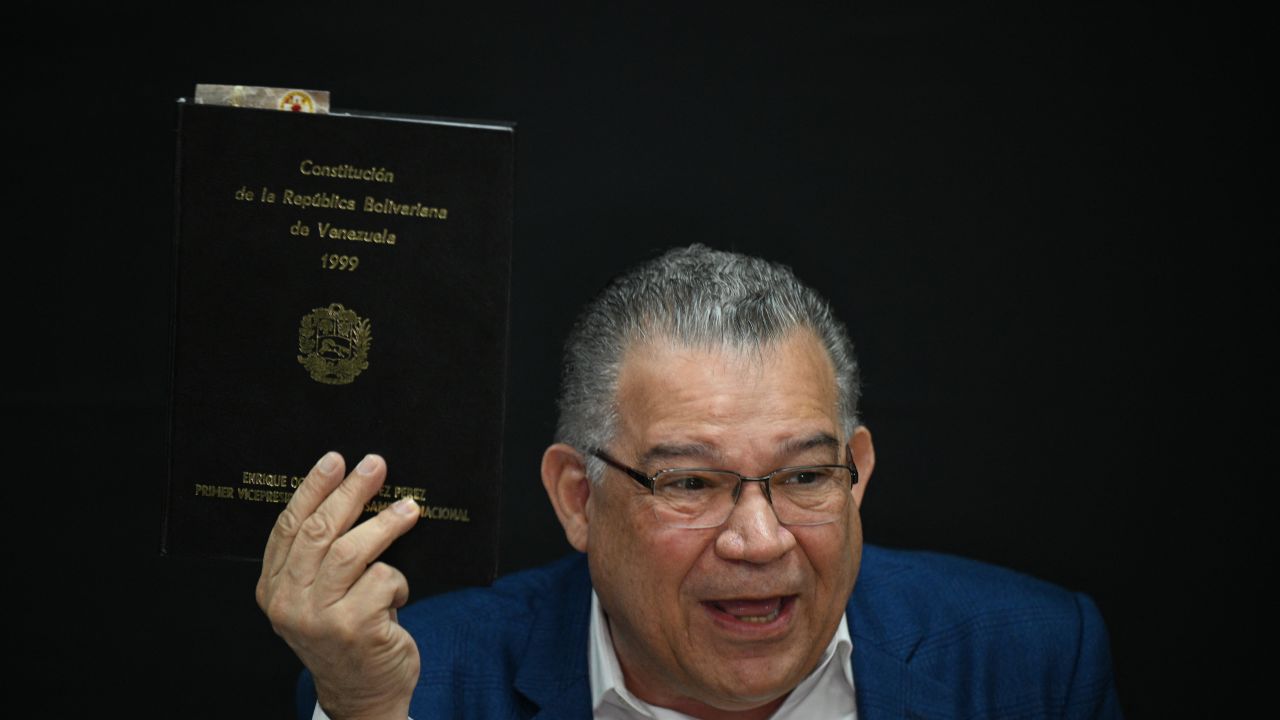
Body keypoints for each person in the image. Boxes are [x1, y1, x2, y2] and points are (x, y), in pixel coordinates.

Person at [257, 245, 1122, 719]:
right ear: (577, 498)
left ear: (856, 476)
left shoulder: (1032, 665)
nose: (760, 540)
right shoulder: (413, 686)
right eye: (692, 484)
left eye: (805, 476)